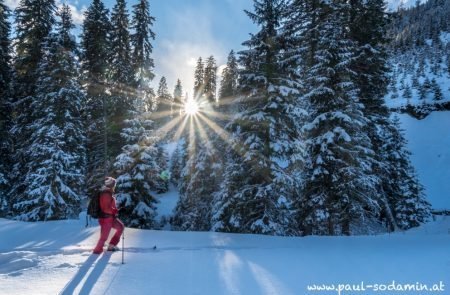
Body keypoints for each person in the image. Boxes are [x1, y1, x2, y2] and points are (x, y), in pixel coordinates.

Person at [93, 177, 124, 254]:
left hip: (110, 218)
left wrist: (117, 209)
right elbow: (106, 209)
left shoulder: (108, 193)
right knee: (104, 237)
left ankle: (111, 246)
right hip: (106, 219)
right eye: (114, 184)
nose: (115, 186)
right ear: (111, 185)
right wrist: (115, 210)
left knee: (120, 227)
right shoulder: (105, 194)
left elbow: (109, 206)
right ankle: (97, 251)